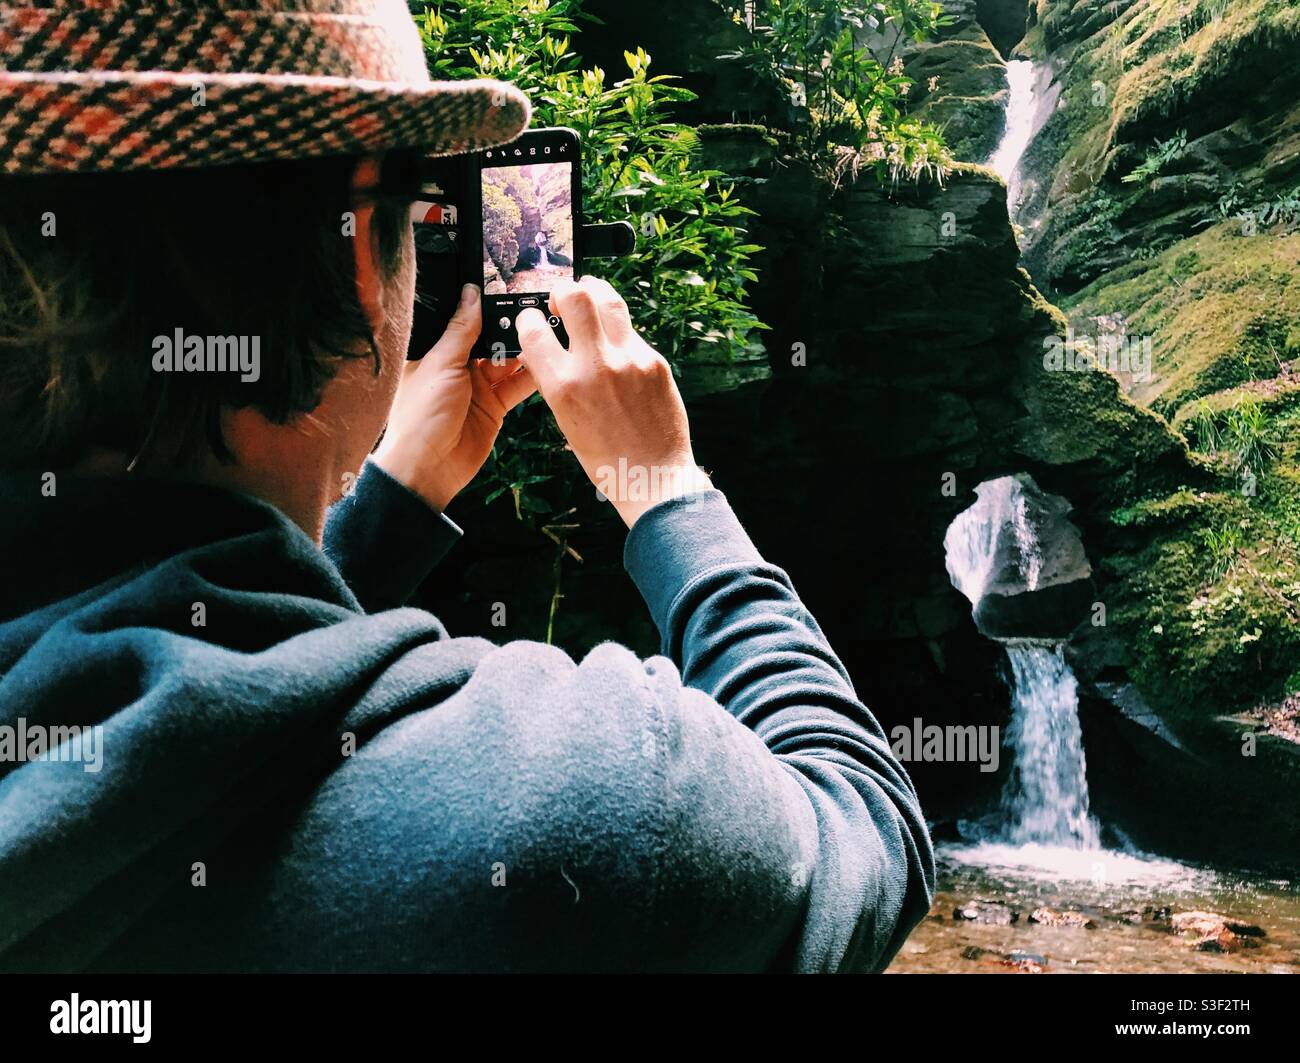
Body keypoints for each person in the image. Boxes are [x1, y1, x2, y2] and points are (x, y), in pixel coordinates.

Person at [0, 0, 934, 973]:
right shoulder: (568, 809)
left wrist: (389, 506)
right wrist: (664, 490)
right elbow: (861, 827)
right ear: (365, 252)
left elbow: (184, 676)